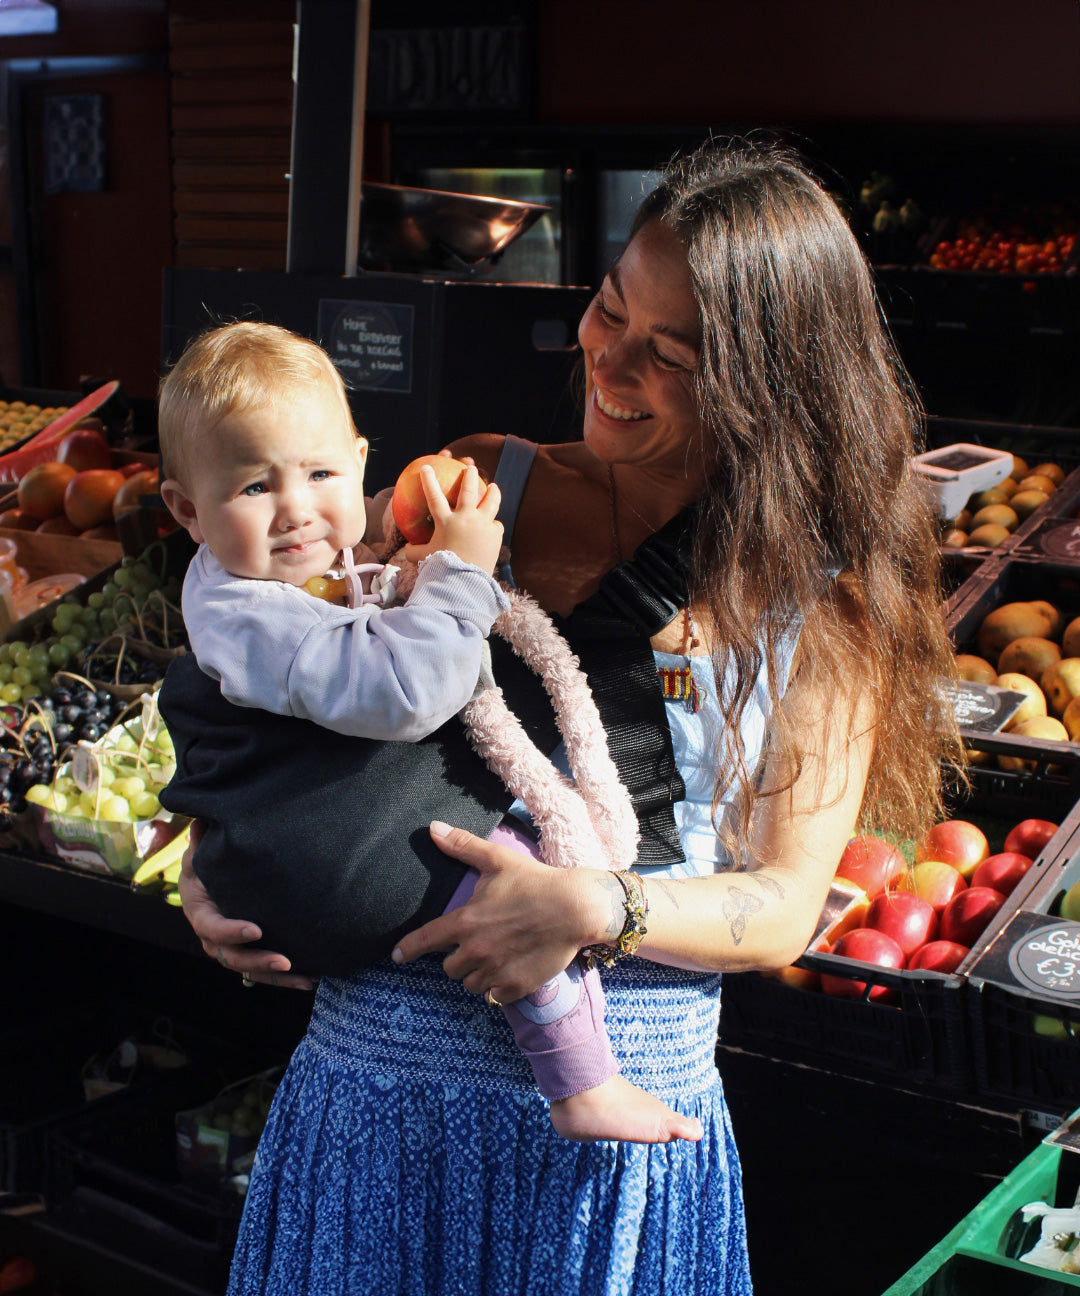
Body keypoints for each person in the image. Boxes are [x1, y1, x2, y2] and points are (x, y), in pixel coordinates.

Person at [179, 136, 958, 1295]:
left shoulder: (821, 603)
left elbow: (786, 907)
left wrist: (592, 904)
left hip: (611, 1124)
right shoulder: (481, 486)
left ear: (769, 385)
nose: (611, 361)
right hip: (373, 1092)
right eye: (608, 310)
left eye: (671, 355)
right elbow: (303, 680)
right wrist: (227, 854)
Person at [154, 321, 699, 1146]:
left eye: (321, 474)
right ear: (187, 510)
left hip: (331, 889)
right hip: (346, 906)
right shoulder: (254, 613)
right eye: (255, 488)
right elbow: (404, 692)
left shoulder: (273, 576)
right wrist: (462, 574)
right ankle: (582, 1082)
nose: (297, 510)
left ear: (363, 462)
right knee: (514, 881)